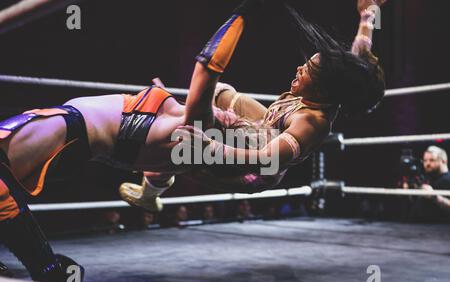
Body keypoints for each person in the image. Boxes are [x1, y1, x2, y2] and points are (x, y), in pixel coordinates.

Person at [120, 0, 387, 212]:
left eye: (307, 71)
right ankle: (175, 139)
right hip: (268, 127)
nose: (298, 69)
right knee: (221, 94)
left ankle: (151, 189)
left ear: (322, 89)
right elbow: (360, 56)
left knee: (192, 150)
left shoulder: (311, 123)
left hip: (254, 168)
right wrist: (367, 15)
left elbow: (266, 160)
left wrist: (212, 147)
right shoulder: (340, 79)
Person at [410, 146, 450, 217]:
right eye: (425, 160)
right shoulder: (429, 178)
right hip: (421, 225)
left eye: (432, 160)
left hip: (441, 226)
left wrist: (434, 196)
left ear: (443, 161)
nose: (427, 164)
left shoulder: (447, 179)